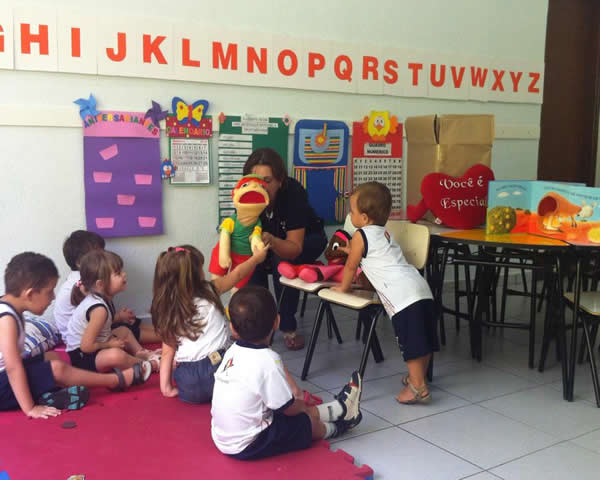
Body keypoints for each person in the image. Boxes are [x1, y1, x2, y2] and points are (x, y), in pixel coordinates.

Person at [211, 285, 363, 460]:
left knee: (288, 412)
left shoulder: (232, 350)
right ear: (277, 322)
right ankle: (338, 427)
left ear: (232, 328)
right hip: (249, 443)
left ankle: (340, 409)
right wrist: (302, 406)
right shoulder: (268, 360)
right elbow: (289, 409)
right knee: (304, 422)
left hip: (222, 437)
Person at [1, 252, 149, 418]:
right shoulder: (7, 319)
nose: (53, 297)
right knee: (57, 368)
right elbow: (13, 368)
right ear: (30, 294)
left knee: (51, 357)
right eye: (49, 292)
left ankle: (50, 396)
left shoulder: (8, 307)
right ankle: (116, 380)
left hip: (5, 377)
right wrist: (30, 408)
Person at [333, 182, 439, 404]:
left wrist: (343, 288)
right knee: (423, 339)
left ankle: (418, 387)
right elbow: (373, 257)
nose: (350, 215)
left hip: (402, 297)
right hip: (421, 288)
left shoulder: (360, 235)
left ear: (364, 218)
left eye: (352, 211)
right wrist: (352, 250)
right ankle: (418, 378)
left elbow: (351, 266)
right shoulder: (385, 234)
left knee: (410, 343)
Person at [151, 244, 267, 403]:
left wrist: (167, 388)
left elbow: (167, 353)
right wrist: (256, 259)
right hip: (221, 369)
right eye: (201, 267)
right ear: (195, 274)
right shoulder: (210, 289)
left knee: (178, 361)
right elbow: (238, 274)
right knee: (242, 346)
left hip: (189, 383)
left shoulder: (167, 309)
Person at [244, 148, 327, 350]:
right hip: (273, 241)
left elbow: (294, 247)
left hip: (308, 240)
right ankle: (259, 325)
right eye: (255, 180)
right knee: (252, 259)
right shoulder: (246, 193)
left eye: (268, 180)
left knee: (281, 261)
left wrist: (272, 241)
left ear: (280, 180)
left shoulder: (293, 193)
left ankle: (288, 326)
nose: (261, 186)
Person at [55, 230, 161, 344]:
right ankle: (168, 337)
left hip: (95, 326)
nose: (105, 257)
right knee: (126, 330)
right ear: (79, 262)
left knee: (130, 323)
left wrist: (119, 317)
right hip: (83, 338)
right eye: (98, 255)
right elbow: (95, 318)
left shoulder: (85, 278)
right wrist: (118, 317)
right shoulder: (84, 285)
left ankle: (164, 331)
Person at [65, 250, 157, 375]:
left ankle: (140, 353)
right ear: (100, 284)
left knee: (123, 331)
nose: (124, 274)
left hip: (95, 345)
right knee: (116, 356)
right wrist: (109, 344)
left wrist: (119, 317)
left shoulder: (103, 300)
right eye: (118, 273)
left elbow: (104, 323)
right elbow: (86, 347)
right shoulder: (99, 309)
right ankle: (147, 365)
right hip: (83, 358)